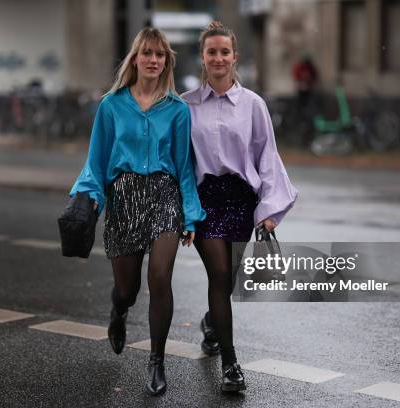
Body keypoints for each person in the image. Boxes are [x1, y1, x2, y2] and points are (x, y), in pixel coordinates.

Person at [70, 27, 205, 396]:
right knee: (127, 289)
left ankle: (157, 360)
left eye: (160, 55)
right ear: (135, 58)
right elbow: (95, 162)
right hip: (124, 196)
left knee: (160, 277)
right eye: (147, 53)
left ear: (166, 62)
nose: (153, 60)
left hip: (164, 195)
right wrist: (88, 197)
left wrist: (190, 215)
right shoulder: (111, 105)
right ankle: (119, 311)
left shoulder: (177, 110)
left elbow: (184, 166)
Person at [181, 21, 298, 392]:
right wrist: (182, 209)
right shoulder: (185, 107)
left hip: (240, 202)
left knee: (226, 279)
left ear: (235, 57)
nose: (218, 57)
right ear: (203, 56)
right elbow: (180, 162)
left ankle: (211, 324)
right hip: (203, 201)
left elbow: (268, 157)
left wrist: (267, 210)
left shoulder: (253, 105)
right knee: (219, 273)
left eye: (224, 51)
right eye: (211, 51)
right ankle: (231, 364)